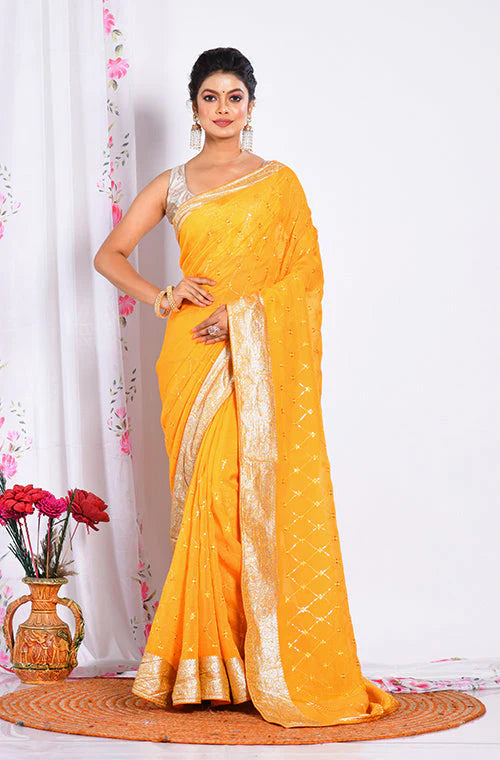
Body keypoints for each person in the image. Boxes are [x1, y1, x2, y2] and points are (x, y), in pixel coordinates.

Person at [93, 46, 400, 728]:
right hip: (192, 358)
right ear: (194, 107)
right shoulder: (173, 184)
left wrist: (242, 314)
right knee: (206, 500)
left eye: (235, 96)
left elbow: (305, 277)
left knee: (241, 499)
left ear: (251, 106)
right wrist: (164, 294)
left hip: (251, 355)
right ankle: (206, 667)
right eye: (211, 96)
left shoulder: (278, 182)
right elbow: (108, 255)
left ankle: (247, 661)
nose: (223, 107)